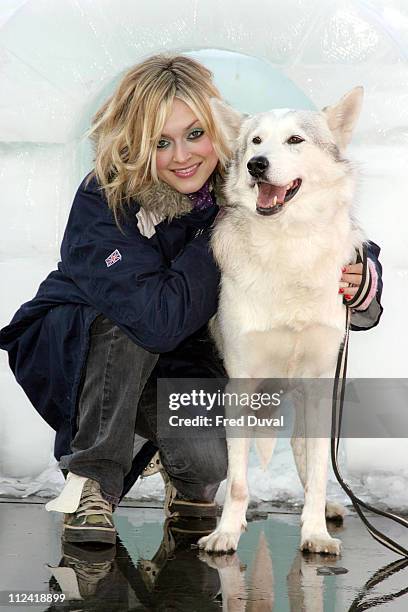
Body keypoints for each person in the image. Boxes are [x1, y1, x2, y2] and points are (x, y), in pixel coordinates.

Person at [0, 53, 383, 546]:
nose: (183, 155)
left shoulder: (244, 177)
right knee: (126, 324)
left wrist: (363, 276)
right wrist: (227, 229)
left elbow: (327, 227)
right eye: (162, 142)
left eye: (195, 135)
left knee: (207, 461)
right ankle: (91, 482)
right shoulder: (107, 200)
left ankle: (181, 471)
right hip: (77, 352)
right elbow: (156, 321)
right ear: (137, 143)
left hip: (175, 359)